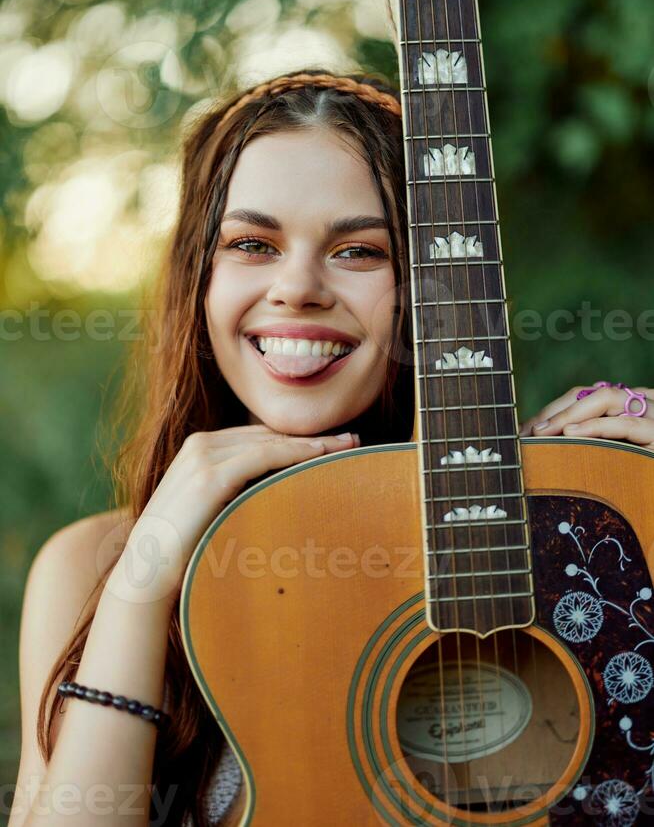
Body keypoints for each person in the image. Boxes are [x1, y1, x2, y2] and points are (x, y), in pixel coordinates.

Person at [9, 70, 652, 827]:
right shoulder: (93, 566)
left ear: (430, 290)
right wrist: (146, 571)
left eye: (358, 251)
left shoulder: (577, 538)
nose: (298, 287)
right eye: (252, 243)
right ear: (199, 280)